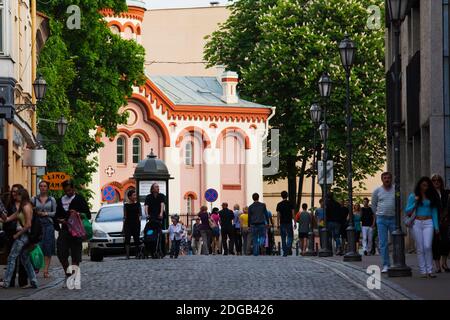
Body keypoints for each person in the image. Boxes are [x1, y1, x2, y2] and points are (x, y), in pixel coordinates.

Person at [0, 188, 38, 288]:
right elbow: (7, 219)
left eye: (17, 195)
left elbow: (28, 225)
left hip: (23, 236)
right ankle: (34, 282)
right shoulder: (22, 208)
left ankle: (6, 282)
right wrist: (2, 214)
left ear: (22, 195)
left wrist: (17, 234)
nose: (15, 196)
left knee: (12, 257)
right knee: (25, 259)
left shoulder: (26, 207)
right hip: (23, 236)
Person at [55, 180, 91, 284]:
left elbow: (87, 215)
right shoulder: (60, 200)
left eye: (70, 190)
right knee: (61, 253)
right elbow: (56, 216)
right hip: (65, 230)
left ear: (73, 189)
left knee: (75, 255)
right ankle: (68, 273)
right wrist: (59, 220)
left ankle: (74, 277)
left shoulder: (79, 199)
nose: (68, 192)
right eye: (66, 191)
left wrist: (77, 214)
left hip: (76, 230)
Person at [405, 177, 440, 278]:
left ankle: (430, 270)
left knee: (428, 246)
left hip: (429, 222)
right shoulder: (413, 196)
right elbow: (407, 211)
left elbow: (434, 212)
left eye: (427, 185)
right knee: (420, 248)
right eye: (424, 185)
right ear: (420, 185)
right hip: (417, 223)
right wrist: (415, 203)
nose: (425, 187)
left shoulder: (431, 196)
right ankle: (423, 271)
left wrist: (436, 226)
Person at [2, 184, 28, 287]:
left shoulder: (25, 205)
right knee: (11, 257)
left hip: (23, 234)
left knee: (23, 258)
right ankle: (11, 281)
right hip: (11, 233)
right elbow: (6, 219)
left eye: (16, 192)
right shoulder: (9, 204)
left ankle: (23, 282)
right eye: (13, 191)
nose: (14, 194)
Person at [371, 172, 396, 273]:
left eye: (389, 178)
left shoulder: (396, 189)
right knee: (383, 243)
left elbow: (401, 203)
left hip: (394, 218)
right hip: (381, 219)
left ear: (391, 179)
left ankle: (396, 262)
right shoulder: (377, 191)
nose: (387, 179)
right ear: (382, 179)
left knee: (396, 242)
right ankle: (386, 264)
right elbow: (373, 205)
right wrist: (377, 214)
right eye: (385, 178)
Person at [31, 181, 56, 278]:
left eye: (45, 186)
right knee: (37, 247)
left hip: (48, 225)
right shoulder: (34, 199)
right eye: (41, 186)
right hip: (37, 225)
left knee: (47, 247)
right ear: (39, 187)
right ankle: (36, 268)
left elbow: (54, 213)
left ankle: (46, 270)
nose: (43, 188)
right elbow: (30, 210)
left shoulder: (51, 199)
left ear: (47, 188)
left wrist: (46, 214)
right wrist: (36, 212)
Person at [431, 174, 450, 273]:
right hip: (433, 221)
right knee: (435, 243)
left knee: (446, 242)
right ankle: (437, 266)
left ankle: (444, 263)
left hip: (445, 221)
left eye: (438, 180)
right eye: (434, 180)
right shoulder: (430, 194)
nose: (436, 182)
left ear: (441, 182)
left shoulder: (446, 192)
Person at [144, 183, 166, 256]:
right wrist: (147, 214)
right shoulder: (148, 197)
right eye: (156, 187)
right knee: (149, 233)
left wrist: (161, 214)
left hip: (159, 218)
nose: (158, 188)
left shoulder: (161, 196)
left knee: (160, 233)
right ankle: (150, 249)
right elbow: (146, 206)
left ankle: (161, 250)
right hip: (152, 217)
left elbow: (162, 205)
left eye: (158, 187)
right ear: (152, 189)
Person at [123, 190, 142, 259]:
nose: (135, 197)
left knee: (136, 239)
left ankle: (137, 254)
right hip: (128, 224)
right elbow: (125, 215)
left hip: (136, 223)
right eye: (134, 195)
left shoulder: (138, 204)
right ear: (129, 197)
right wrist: (123, 226)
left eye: (135, 195)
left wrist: (139, 221)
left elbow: (140, 214)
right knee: (127, 239)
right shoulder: (126, 205)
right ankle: (127, 255)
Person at [276, 191, 296, 257]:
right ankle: (287, 248)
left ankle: (285, 251)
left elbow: (278, 215)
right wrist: (295, 222)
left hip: (282, 223)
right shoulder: (290, 204)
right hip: (289, 222)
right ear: (287, 196)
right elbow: (293, 214)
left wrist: (278, 224)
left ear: (281, 196)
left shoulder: (279, 204)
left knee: (283, 237)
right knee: (290, 237)